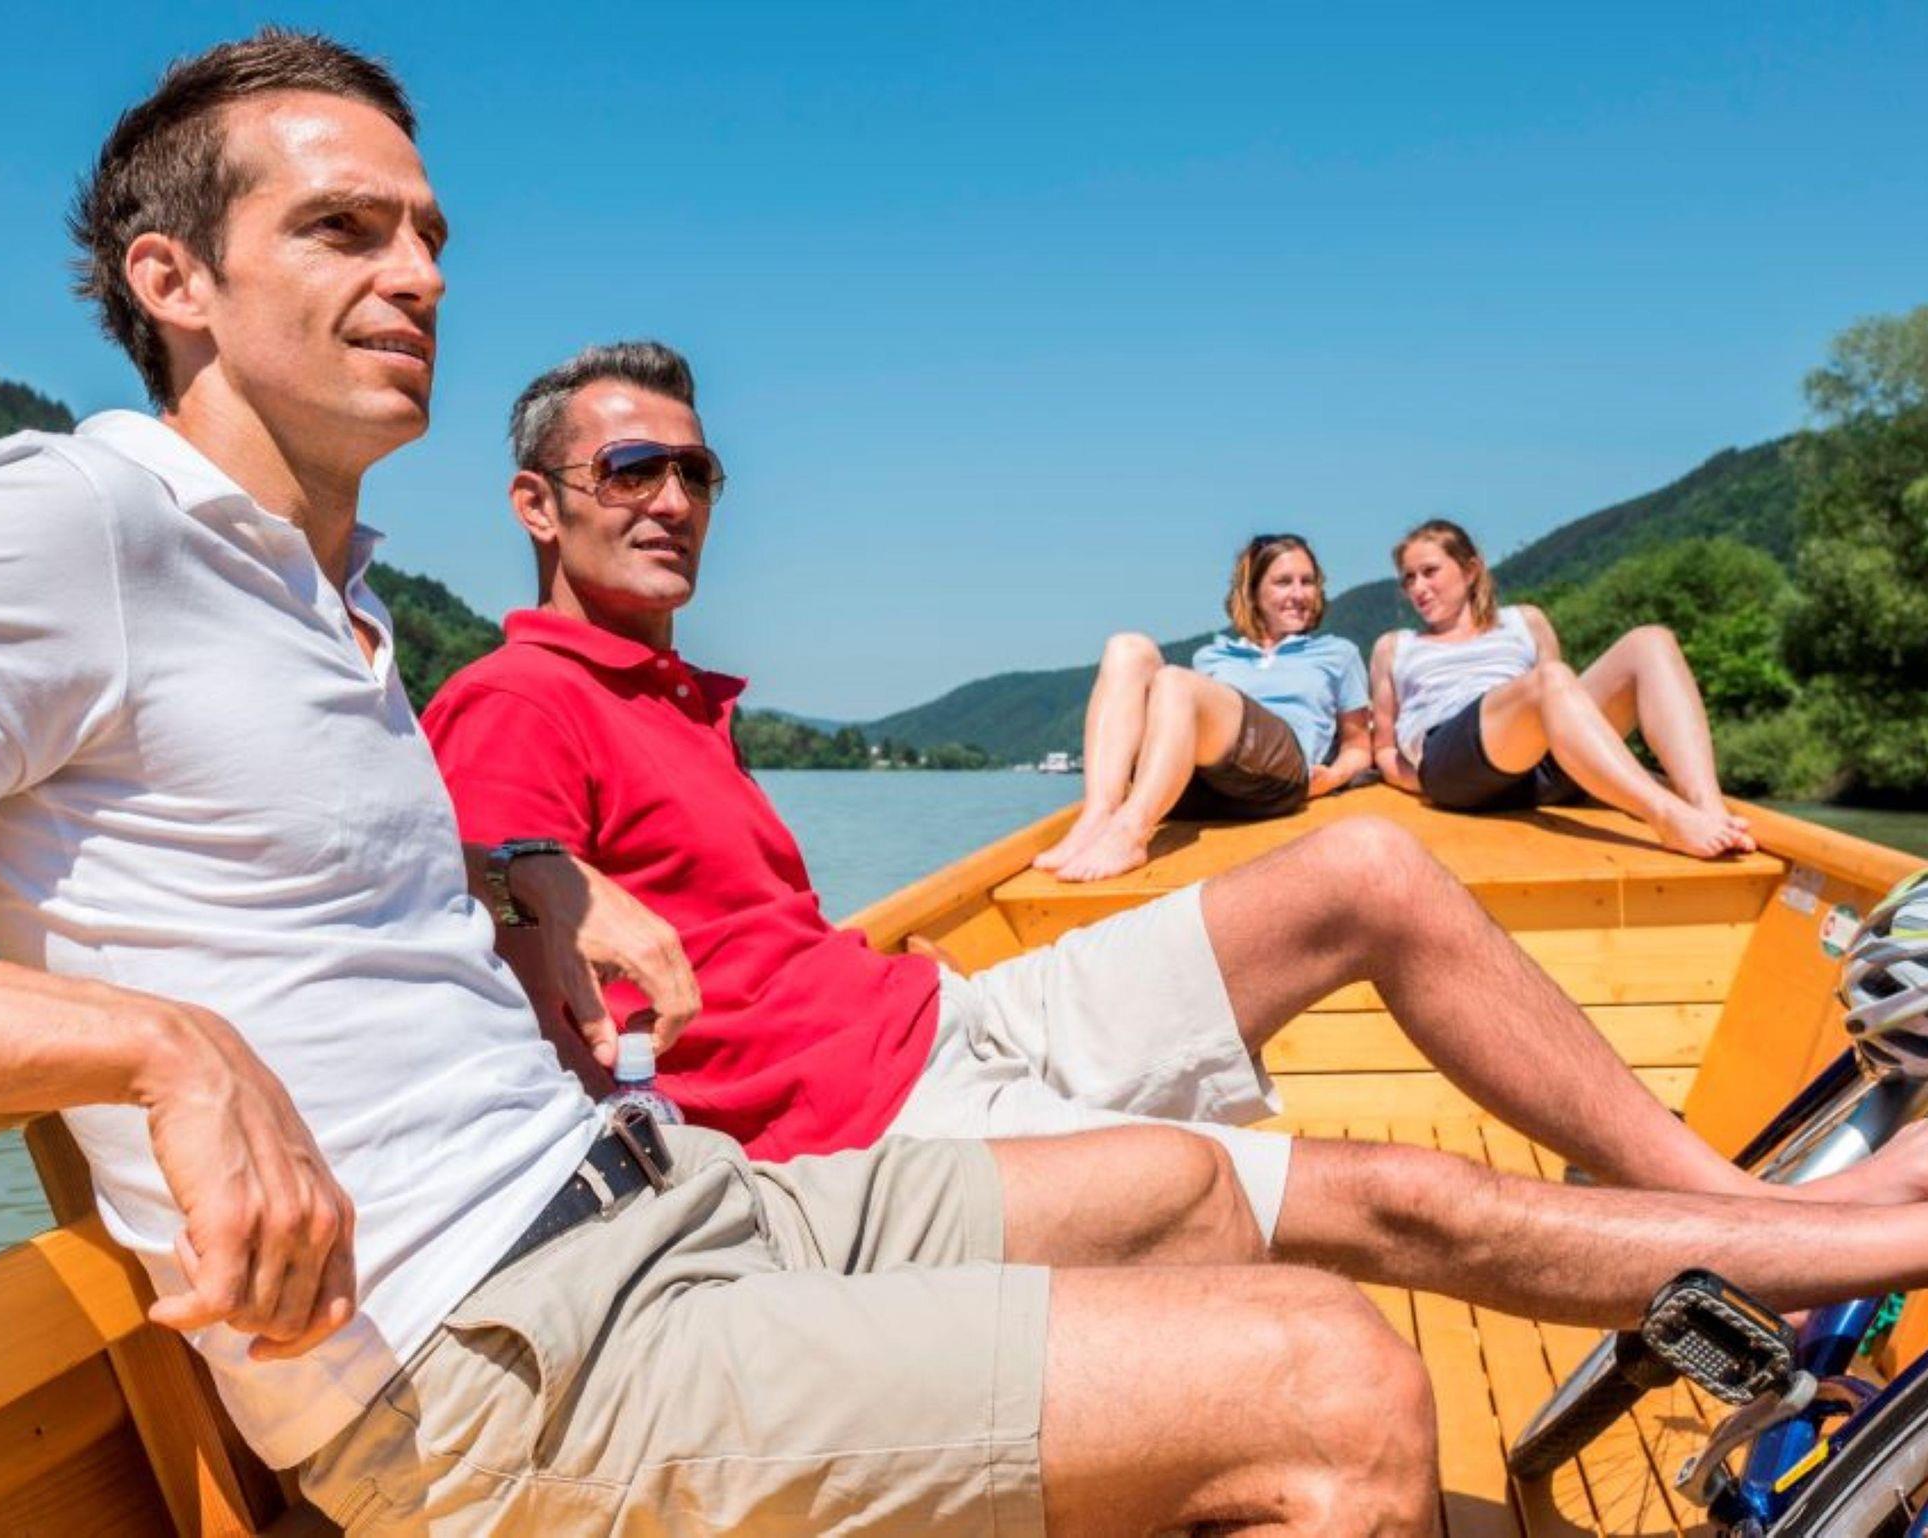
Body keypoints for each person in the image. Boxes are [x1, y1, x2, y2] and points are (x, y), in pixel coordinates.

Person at [0, 44, 1927, 1538]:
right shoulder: (72, 517)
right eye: (341, 228)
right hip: (490, 1349)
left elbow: (298, 898)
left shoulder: (321, 604)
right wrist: (155, 1050)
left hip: (664, 1205)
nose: (416, 270)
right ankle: (1800, 1242)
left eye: (429, 232)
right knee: (1335, 1379)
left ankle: (1804, 1241)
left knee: (1238, 1190)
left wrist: (515, 877)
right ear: (174, 280)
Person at [422, 339, 1928, 1238]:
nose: (674, 500)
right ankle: (1801, 1235)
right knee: (1375, 1187)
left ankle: (1701, 1183)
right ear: (537, 505)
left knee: (1374, 871)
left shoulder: (673, 696)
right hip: (873, 1127)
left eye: (694, 473)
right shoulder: (514, 699)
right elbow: (466, 895)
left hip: (944, 1011)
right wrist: (520, 874)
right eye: (630, 471)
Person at [1371, 518, 1755, 859]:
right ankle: (1665, 815)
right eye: (1408, 579)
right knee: (1549, 678)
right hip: (1457, 769)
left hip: (1540, 768)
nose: (1418, 588)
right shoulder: (1396, 646)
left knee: (1650, 641)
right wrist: (1423, 780)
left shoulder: (1526, 621)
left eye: (1429, 572)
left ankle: (1708, 806)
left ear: (1470, 571)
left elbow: (1565, 701)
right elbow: (1384, 747)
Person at [1033, 532, 1371, 882]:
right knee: (1127, 648)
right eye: (1284, 582)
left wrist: (1333, 778)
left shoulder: (1337, 653)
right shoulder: (1212, 656)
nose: (1299, 594)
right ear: (1253, 591)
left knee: (1175, 681)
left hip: (1274, 781)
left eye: (1307, 582)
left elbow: (1359, 746)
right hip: (1199, 788)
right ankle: (1098, 814)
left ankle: (1129, 834)